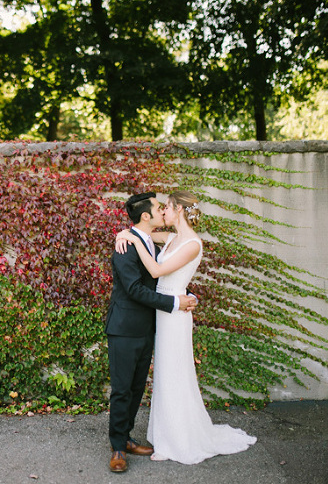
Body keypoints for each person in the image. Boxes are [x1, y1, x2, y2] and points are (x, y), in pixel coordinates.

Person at [115, 190, 257, 465]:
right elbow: (142, 235)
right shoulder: (170, 238)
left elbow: (157, 272)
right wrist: (126, 235)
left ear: (178, 209)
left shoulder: (192, 243)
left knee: (175, 373)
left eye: (166, 207)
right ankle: (165, 435)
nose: (163, 212)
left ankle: (179, 439)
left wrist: (131, 237)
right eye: (161, 208)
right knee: (165, 375)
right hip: (165, 312)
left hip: (175, 316)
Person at [105, 192, 198, 473]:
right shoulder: (125, 246)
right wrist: (174, 302)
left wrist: (183, 294)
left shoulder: (150, 241)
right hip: (124, 329)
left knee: (135, 388)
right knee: (122, 390)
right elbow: (134, 290)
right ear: (146, 216)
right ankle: (118, 448)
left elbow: (167, 276)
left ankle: (127, 437)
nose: (162, 211)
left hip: (148, 328)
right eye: (159, 208)